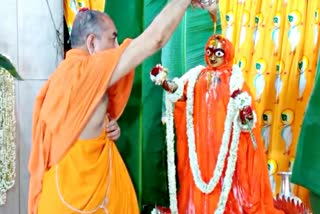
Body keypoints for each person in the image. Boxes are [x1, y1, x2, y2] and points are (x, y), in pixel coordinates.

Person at [28, 0, 194, 213]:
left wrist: (104, 126)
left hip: (59, 195)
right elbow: (155, 39)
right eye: (113, 39)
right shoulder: (87, 71)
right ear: (92, 43)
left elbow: (73, 126)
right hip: (79, 202)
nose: (117, 47)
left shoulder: (63, 75)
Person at [151, 34, 284, 213]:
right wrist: (165, 82)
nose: (213, 57)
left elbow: (249, 120)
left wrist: (245, 114)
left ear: (227, 54)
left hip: (226, 148)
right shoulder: (197, 75)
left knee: (229, 185)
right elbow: (179, 91)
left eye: (218, 53)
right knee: (198, 180)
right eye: (209, 52)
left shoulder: (235, 80)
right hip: (201, 148)